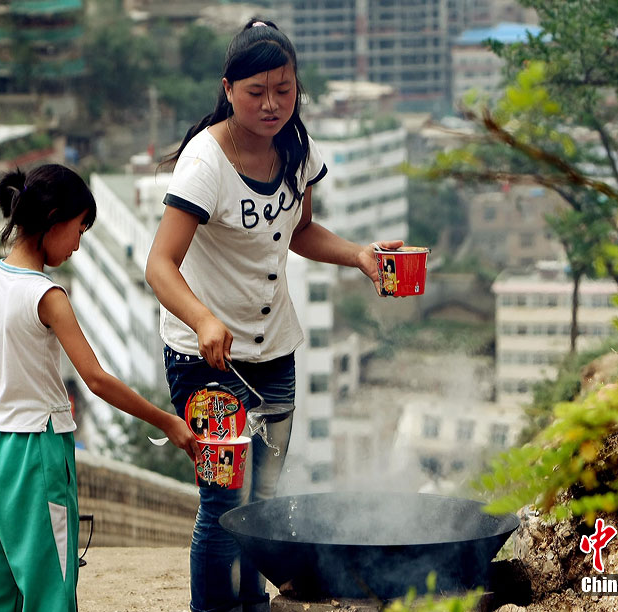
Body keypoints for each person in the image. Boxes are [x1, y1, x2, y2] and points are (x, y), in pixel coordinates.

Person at [145, 19, 403, 612]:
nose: (271, 104)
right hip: (205, 360)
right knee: (223, 500)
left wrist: (359, 256)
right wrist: (203, 319)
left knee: (262, 499)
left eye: (283, 90)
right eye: (256, 91)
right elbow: (160, 264)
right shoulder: (205, 162)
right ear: (228, 89)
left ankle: (251, 603)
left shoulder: (297, 149)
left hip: (275, 352)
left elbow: (300, 230)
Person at [0, 164, 199, 612]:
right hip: (37, 450)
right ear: (54, 220)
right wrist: (167, 421)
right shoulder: (47, 296)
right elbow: (96, 379)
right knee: (49, 586)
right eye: (79, 229)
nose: (76, 244)